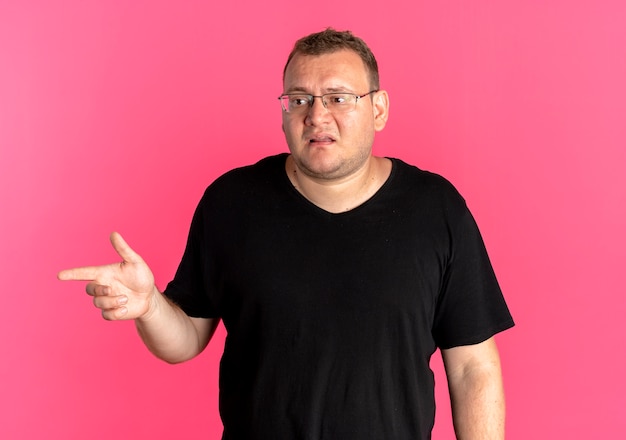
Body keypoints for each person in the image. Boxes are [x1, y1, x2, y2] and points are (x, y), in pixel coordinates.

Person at [59, 28, 514, 439]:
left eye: (338, 98)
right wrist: (149, 305)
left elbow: (473, 367)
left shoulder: (436, 209)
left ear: (378, 108)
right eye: (299, 99)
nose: (316, 115)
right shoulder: (231, 202)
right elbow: (185, 341)